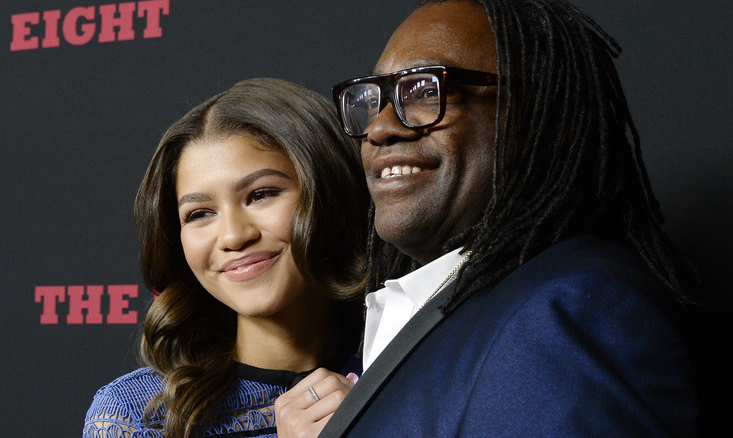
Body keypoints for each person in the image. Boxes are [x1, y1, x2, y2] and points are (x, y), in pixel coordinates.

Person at [278, 0, 707, 436]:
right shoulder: (463, 310)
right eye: (374, 100)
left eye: (427, 91)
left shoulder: (567, 310)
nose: (380, 128)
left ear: (543, 114)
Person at [83, 78, 368, 438]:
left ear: (331, 193)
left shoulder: (415, 373)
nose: (234, 236)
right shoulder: (134, 416)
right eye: (200, 213)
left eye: (261, 194)